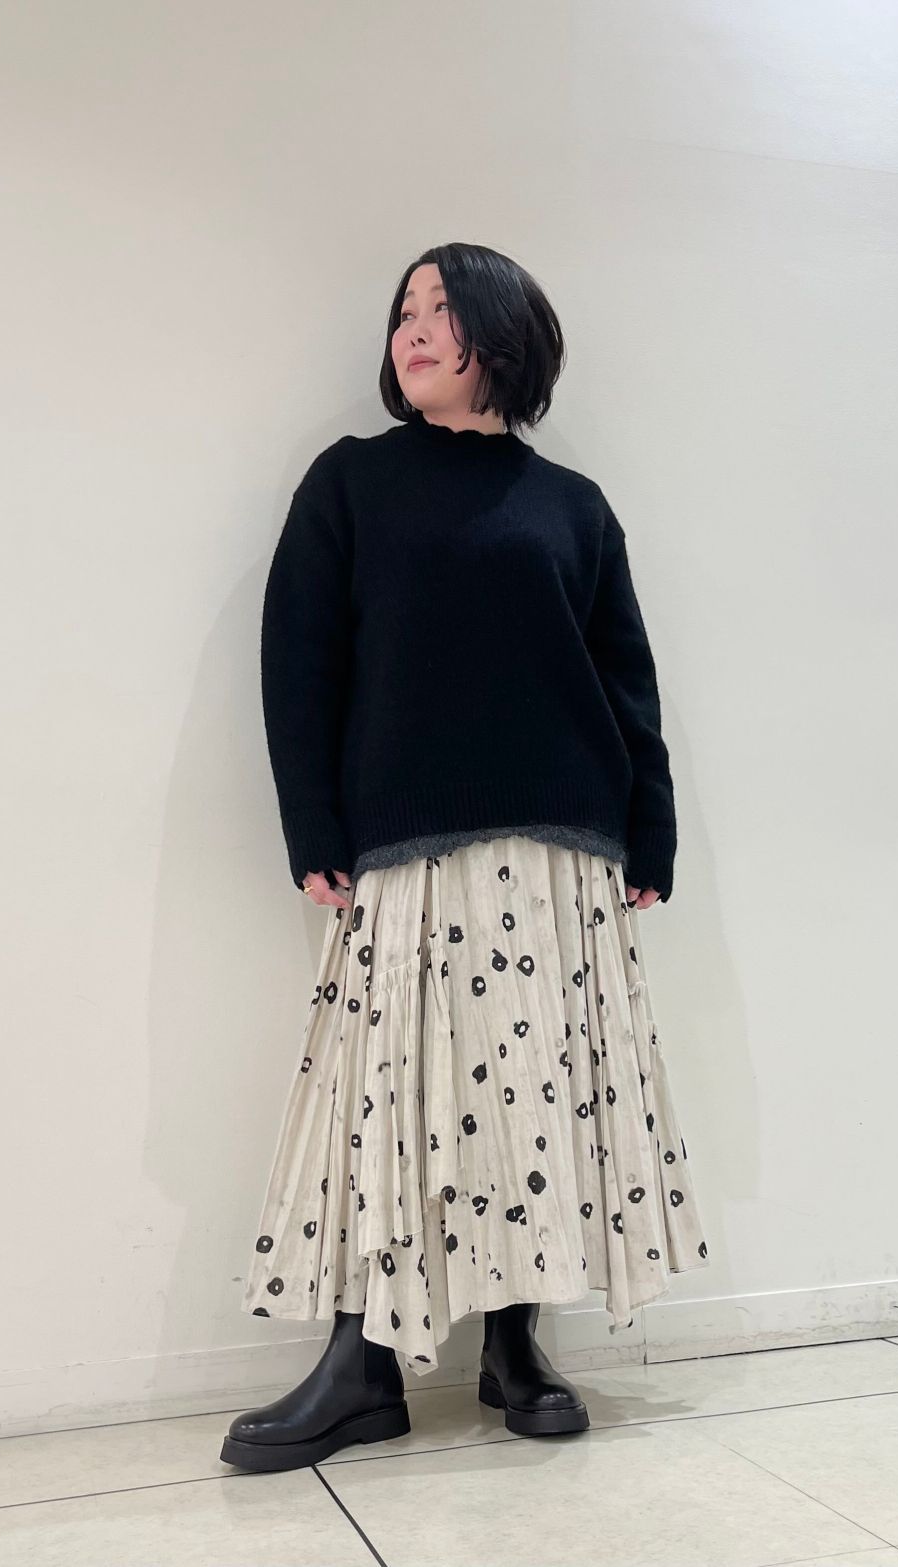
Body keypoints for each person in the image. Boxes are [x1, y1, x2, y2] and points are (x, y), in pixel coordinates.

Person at [221, 242, 711, 1474]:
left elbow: (624, 681)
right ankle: (362, 1365)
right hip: (405, 844)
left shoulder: (571, 507)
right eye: (403, 309)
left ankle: (513, 1345)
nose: (413, 327)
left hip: (558, 848)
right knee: (387, 1099)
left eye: (440, 307)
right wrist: (311, 823)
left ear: (501, 333)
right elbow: (298, 662)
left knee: (533, 1095)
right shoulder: (352, 482)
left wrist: (648, 825)